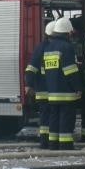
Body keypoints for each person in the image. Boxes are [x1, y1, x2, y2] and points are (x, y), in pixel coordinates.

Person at [43, 17, 82, 150]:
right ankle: (65, 144)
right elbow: (70, 70)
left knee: (54, 119)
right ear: (67, 32)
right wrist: (78, 87)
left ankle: (53, 144)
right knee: (66, 119)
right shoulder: (67, 47)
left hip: (52, 92)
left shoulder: (48, 48)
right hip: (66, 93)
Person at [25, 20, 55, 149]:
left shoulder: (41, 47)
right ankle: (48, 142)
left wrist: (29, 84)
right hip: (50, 91)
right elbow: (32, 69)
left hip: (44, 91)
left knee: (45, 118)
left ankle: (45, 142)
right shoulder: (51, 48)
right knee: (50, 117)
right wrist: (29, 85)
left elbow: (31, 68)